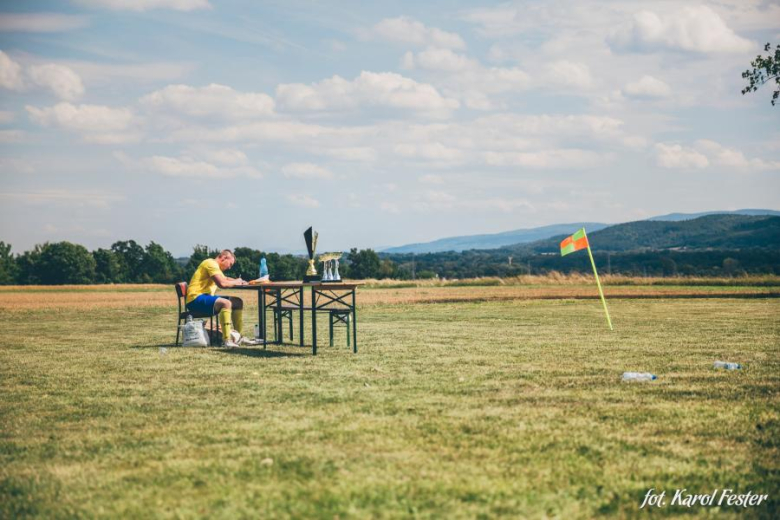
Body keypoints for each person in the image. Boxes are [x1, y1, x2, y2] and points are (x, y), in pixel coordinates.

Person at [185, 249, 258, 347]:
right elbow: (222, 283)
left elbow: (226, 279)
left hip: (203, 297)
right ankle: (227, 340)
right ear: (224, 258)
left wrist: (240, 280)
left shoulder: (215, 267)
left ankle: (239, 337)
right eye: (230, 264)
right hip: (195, 299)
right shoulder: (210, 263)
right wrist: (237, 282)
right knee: (226, 303)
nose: (229, 267)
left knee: (237, 302)